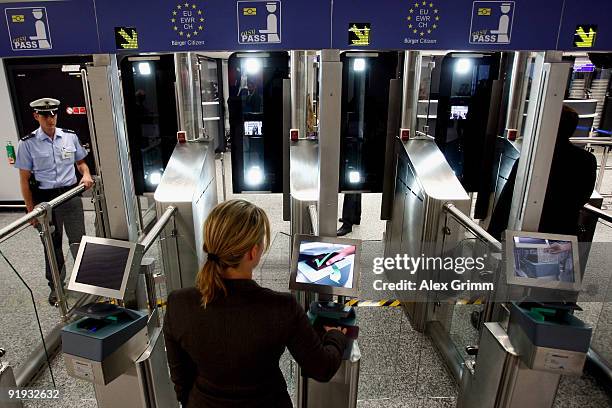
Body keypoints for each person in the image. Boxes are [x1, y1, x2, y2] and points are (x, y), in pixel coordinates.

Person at [163, 199, 348, 407]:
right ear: (253, 252)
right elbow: (322, 368)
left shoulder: (178, 303)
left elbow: (180, 379)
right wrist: (335, 336)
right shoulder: (281, 307)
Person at [14, 98, 93, 305]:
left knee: (79, 240)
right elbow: (24, 179)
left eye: (53, 114)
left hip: (71, 195)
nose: (51, 119)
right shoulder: (27, 143)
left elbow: (81, 162)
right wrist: (30, 211)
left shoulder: (69, 137)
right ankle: (56, 287)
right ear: (36, 116)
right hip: (46, 199)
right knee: (52, 244)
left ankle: (88, 282)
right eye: (45, 115)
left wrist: (86, 174)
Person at [488, 105, 597, 240]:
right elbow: (584, 196)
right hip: (563, 232)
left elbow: (507, 199)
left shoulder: (533, 160)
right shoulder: (587, 160)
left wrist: (493, 234)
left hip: (529, 231)